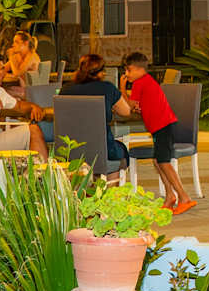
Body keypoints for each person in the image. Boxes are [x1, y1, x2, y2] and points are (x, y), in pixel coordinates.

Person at [116, 51, 192, 211]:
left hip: (162, 126)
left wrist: (122, 88)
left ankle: (184, 197)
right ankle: (170, 195)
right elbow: (139, 106)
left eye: (129, 70)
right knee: (158, 161)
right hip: (161, 127)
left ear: (139, 69)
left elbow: (129, 107)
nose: (126, 74)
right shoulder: (146, 81)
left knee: (164, 162)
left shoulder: (139, 83)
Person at [59, 53, 130, 180]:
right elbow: (126, 112)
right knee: (121, 152)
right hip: (103, 151)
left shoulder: (65, 89)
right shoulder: (107, 88)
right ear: (100, 72)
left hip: (71, 151)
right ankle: (110, 190)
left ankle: (84, 187)